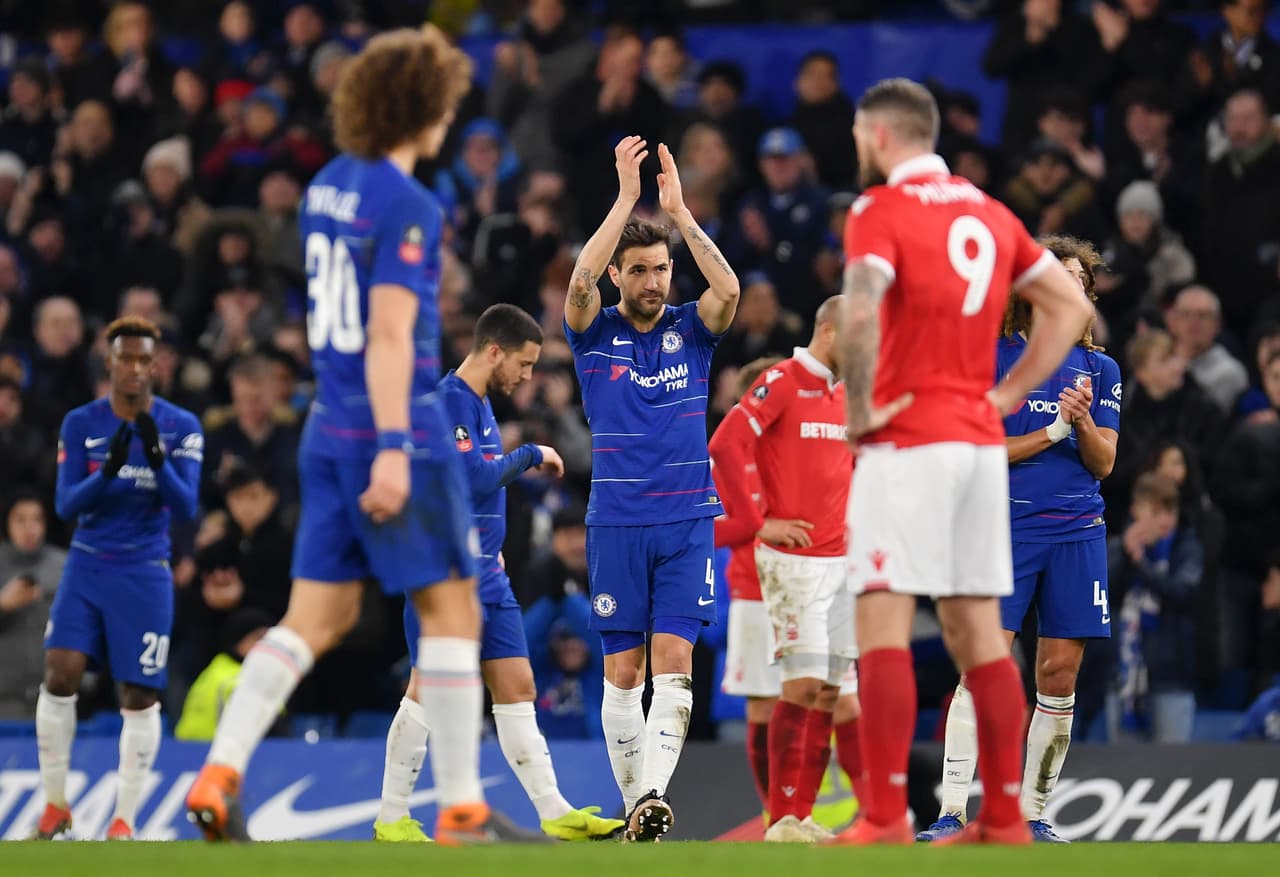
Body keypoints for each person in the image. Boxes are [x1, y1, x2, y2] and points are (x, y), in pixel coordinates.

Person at [185, 27, 525, 846]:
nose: (451, 111)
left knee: (314, 617)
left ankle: (218, 769)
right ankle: (461, 808)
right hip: (394, 427)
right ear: (423, 105)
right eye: (444, 98)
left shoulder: (325, 186)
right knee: (453, 611)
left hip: (324, 428)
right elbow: (387, 334)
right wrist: (395, 448)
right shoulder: (409, 203)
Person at [837, 78, 1092, 846]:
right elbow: (1072, 308)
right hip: (979, 448)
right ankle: (1006, 818)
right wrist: (1009, 391)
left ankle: (883, 816)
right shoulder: (990, 211)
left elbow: (857, 308)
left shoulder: (877, 210)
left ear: (879, 134)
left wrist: (857, 411)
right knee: (980, 633)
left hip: (907, 440)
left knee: (880, 618)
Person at [375, 304, 621, 843]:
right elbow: (473, 480)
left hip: (489, 572)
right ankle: (392, 815)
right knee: (423, 690)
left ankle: (555, 810)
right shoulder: (449, 403)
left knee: (519, 685)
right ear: (494, 351)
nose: (528, 376)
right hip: (443, 574)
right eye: (525, 364)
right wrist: (531, 453)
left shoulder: (480, 405)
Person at [917, 236, 1121, 844]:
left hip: (1077, 531)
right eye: (1056, 276)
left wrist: (1081, 422)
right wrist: (1054, 427)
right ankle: (952, 810)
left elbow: (1105, 462)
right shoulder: (989, 355)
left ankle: (1033, 815)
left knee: (1058, 675)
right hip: (1000, 525)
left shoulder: (1100, 368)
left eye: (1079, 279)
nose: (1069, 287)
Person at [564, 135, 739, 840]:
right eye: (639, 270)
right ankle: (640, 799)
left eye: (662, 269)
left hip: (686, 520)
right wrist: (624, 201)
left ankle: (650, 796)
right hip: (615, 521)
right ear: (618, 276)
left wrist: (680, 215)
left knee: (675, 662)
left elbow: (727, 290)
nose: (654, 281)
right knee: (623, 670)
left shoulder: (692, 332)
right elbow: (577, 284)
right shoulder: (593, 333)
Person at [36, 316, 202, 840]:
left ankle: (124, 821)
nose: (133, 367)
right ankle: (55, 807)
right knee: (60, 672)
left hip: (145, 569)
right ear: (108, 362)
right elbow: (65, 505)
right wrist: (107, 471)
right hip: (87, 562)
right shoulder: (79, 423)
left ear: (156, 365)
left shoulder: (181, 426)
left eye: (143, 359)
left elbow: (186, 505)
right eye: (124, 358)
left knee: (138, 694)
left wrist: (158, 461)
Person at [708, 299, 864, 843]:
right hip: (792, 564)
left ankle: (801, 815)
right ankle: (778, 818)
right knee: (796, 688)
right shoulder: (783, 380)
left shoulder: (845, 394)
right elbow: (726, 442)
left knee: (826, 690)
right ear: (828, 330)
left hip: (839, 561)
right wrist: (758, 521)